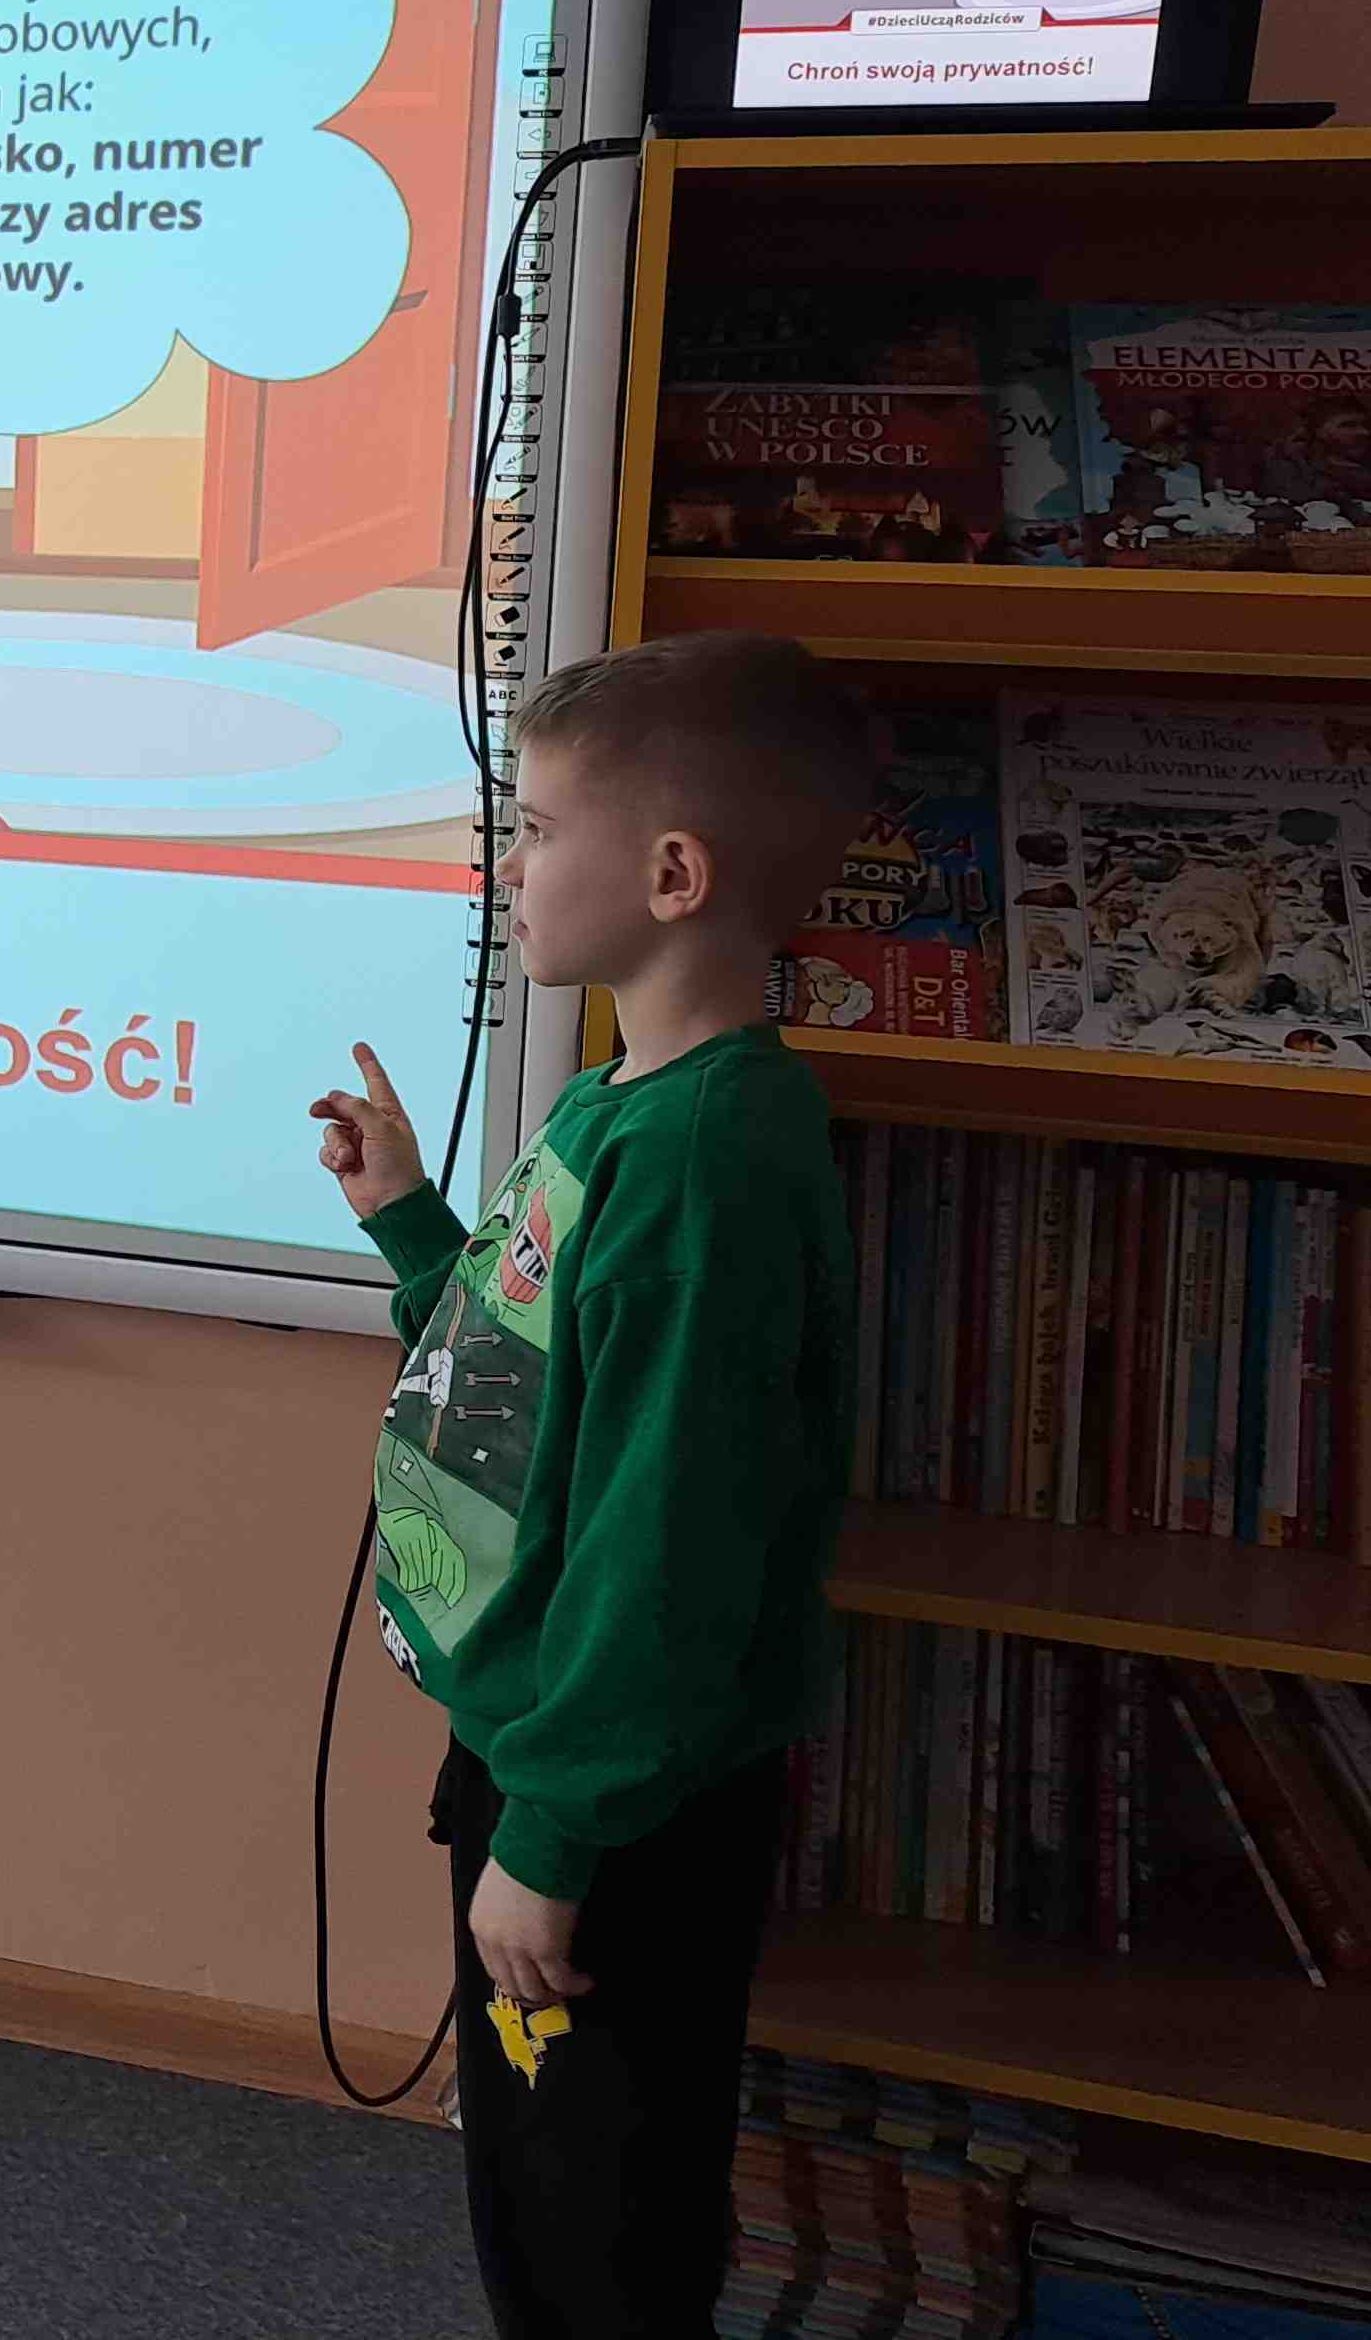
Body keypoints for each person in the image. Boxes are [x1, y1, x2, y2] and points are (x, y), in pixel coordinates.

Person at [308, 630, 877, 2340]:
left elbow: (669, 1541)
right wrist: (412, 1222)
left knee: (599, 2220)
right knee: (538, 2182)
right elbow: (523, 1382)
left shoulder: (706, 1157)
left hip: (613, 1796)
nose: (514, 867)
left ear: (672, 875)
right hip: (547, 1744)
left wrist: (554, 1835)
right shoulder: (622, 1106)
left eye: (541, 831)